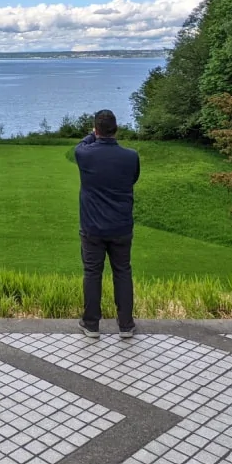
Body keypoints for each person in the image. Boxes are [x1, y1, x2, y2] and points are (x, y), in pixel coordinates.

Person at [75, 109, 140, 339]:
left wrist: (92, 135)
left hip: (93, 227)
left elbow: (83, 144)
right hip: (121, 226)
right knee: (123, 272)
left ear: (96, 130)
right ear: (116, 130)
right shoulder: (131, 156)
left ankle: (91, 324)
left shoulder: (84, 154)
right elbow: (132, 178)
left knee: (92, 273)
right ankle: (126, 324)